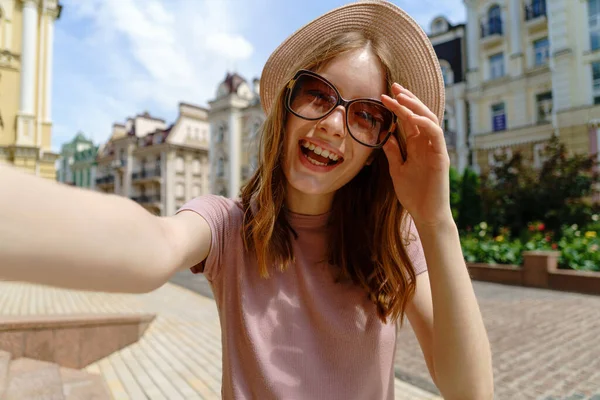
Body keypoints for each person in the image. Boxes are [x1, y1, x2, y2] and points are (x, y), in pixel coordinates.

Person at [0, 1, 493, 399]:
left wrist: (436, 221)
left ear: (376, 151)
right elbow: (149, 246)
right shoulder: (228, 227)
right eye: (319, 94)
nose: (334, 123)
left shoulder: (394, 241)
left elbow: (470, 390)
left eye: (365, 115)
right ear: (286, 105)